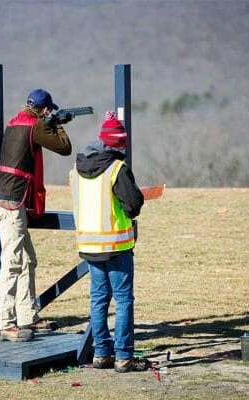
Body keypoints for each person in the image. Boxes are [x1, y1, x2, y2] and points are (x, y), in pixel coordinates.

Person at [0, 89, 72, 342]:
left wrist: (51, 121)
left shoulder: (15, 123)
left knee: (27, 260)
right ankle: (4, 323)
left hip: (10, 199)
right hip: (12, 202)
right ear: (45, 109)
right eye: (49, 110)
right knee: (13, 262)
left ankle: (27, 316)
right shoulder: (36, 126)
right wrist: (57, 125)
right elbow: (65, 148)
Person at [70, 111, 148, 373]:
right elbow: (133, 206)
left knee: (98, 299)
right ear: (118, 145)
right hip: (116, 245)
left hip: (89, 245)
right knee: (123, 299)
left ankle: (102, 354)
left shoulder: (77, 169)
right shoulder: (117, 169)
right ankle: (124, 356)